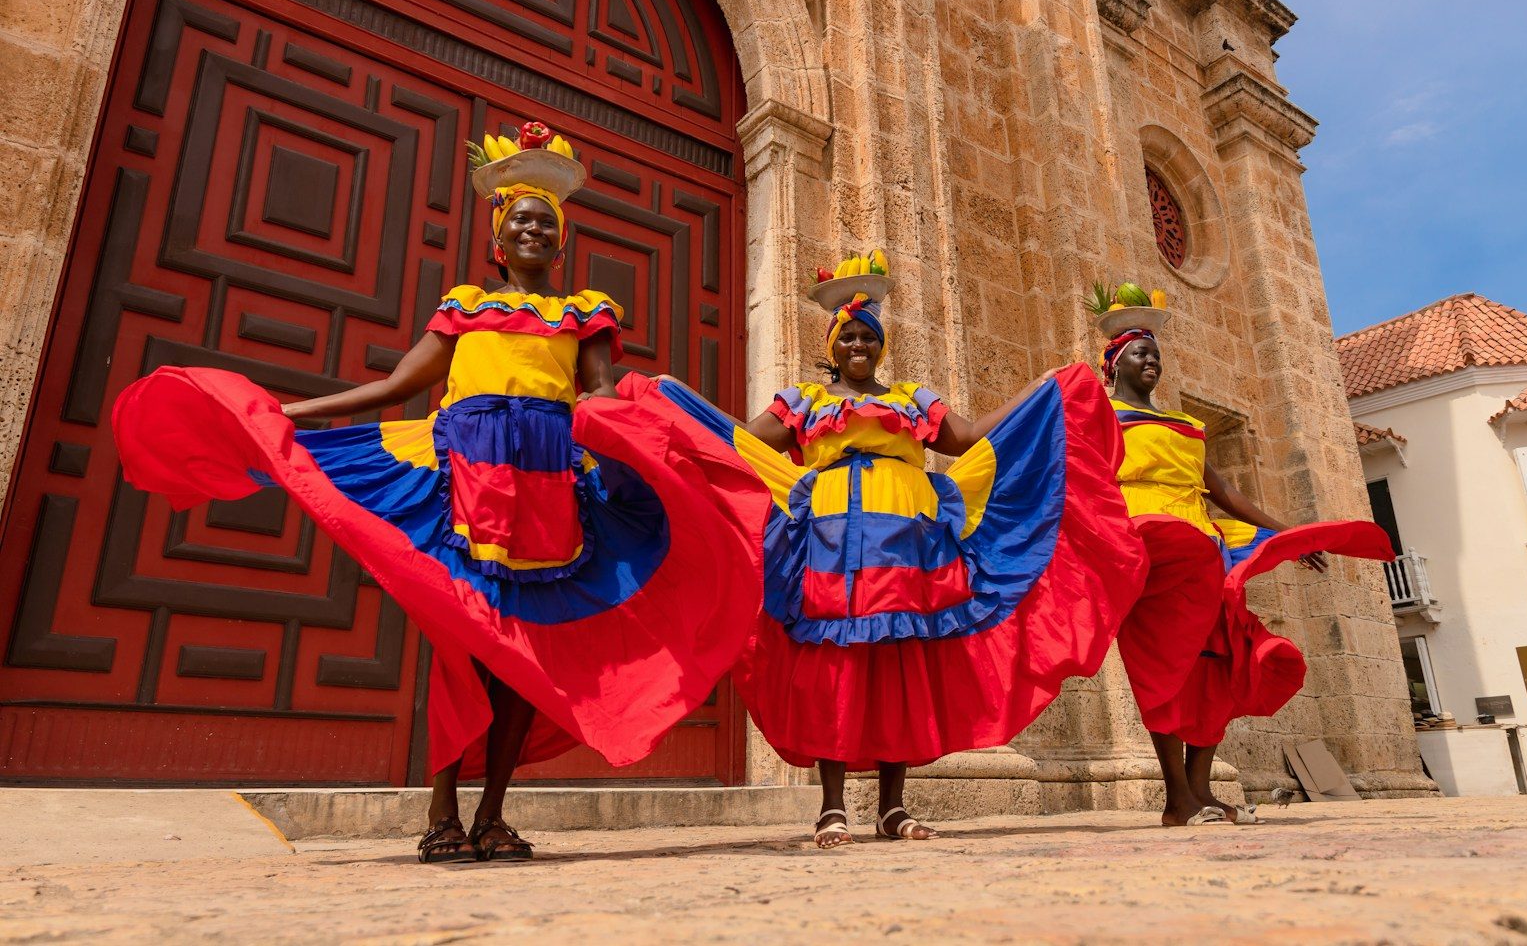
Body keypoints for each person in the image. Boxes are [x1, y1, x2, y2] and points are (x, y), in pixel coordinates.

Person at [113, 125, 768, 862]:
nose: (532, 229)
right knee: (463, 647)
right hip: (464, 481)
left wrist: (656, 417)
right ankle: (440, 812)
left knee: (527, 655)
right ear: (499, 238)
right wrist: (288, 413)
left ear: (559, 246)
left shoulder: (586, 313)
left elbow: (600, 395)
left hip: (551, 493)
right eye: (520, 219)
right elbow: (399, 385)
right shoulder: (463, 307)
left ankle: (493, 814)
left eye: (545, 225)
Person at [643, 261, 1145, 847]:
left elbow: (966, 439)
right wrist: (682, 403)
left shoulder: (912, 399)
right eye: (849, 337)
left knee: (899, 661)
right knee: (835, 661)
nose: (859, 344)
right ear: (833, 344)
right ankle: (833, 807)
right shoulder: (802, 400)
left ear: (881, 346)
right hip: (832, 539)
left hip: (908, 539)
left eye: (868, 337)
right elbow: (744, 441)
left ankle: (893, 807)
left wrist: (1038, 393)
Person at [1101, 326, 1392, 826]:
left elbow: (1225, 493)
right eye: (1140, 353)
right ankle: (1176, 799)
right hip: (1150, 551)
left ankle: (1200, 791)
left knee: (1217, 661)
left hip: (1205, 551)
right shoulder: (1102, 418)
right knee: (1165, 670)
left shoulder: (1182, 423)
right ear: (1114, 364)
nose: (1152, 361)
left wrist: (1290, 536)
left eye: (1156, 354)